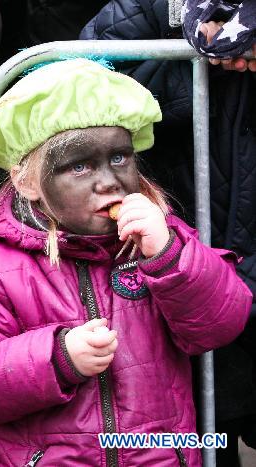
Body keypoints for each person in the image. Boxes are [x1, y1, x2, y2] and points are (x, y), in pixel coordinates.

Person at [0, 58, 252, 466]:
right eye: (80, 165)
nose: (108, 180)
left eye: (120, 158)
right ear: (28, 181)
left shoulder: (158, 237)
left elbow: (220, 323)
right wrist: (58, 358)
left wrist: (169, 256)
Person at [82, 1, 256, 463]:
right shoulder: (166, 5)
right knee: (207, 434)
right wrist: (198, 70)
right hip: (188, 274)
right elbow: (79, 77)